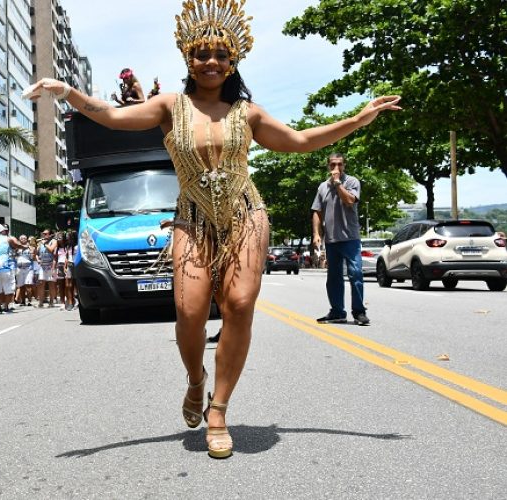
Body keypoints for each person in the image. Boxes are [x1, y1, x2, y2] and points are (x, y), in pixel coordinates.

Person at [26, 0, 400, 459]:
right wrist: (69, 92)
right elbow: (112, 117)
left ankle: (218, 409)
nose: (211, 63)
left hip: (245, 214)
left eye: (221, 55)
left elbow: (301, 141)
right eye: (202, 54)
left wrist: (357, 120)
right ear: (188, 58)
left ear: (232, 61)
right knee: (189, 313)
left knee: (240, 304)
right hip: (192, 218)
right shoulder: (169, 106)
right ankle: (196, 381)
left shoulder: (248, 113)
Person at [312, 153, 369, 326]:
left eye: (339, 164)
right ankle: (337, 311)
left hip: (350, 238)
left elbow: (350, 201)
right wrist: (316, 234)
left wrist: (337, 183)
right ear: (327, 166)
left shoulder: (352, 182)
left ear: (344, 165)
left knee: (356, 274)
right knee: (334, 278)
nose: (336, 168)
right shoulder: (322, 187)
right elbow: (317, 211)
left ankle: (359, 312)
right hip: (331, 240)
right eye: (332, 164)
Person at [35, 228, 58, 307]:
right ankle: (40, 302)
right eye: (43, 234)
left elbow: (51, 249)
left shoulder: (54, 241)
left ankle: (51, 302)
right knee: (41, 283)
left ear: (50, 234)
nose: (44, 235)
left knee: (51, 284)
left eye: (45, 234)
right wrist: (37, 259)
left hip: (51, 265)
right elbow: (36, 253)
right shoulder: (40, 243)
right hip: (42, 266)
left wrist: (44, 243)